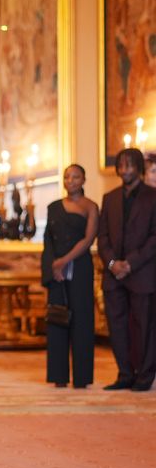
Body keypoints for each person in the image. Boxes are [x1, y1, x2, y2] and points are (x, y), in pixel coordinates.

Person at [97, 147, 156, 391]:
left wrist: (130, 263)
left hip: (141, 273)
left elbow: (154, 237)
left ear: (139, 168)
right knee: (117, 327)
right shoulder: (109, 198)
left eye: (130, 165)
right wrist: (112, 264)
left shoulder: (153, 196)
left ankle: (144, 376)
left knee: (145, 328)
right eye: (121, 165)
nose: (125, 170)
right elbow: (103, 237)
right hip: (113, 276)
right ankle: (124, 374)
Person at [41, 164, 98, 388]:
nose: (71, 180)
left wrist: (64, 261)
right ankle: (58, 376)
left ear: (83, 180)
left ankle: (82, 378)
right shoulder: (53, 207)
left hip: (80, 268)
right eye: (67, 177)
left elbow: (88, 239)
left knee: (82, 321)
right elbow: (48, 241)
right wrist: (53, 267)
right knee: (56, 319)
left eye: (75, 177)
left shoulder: (91, 206)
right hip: (56, 272)